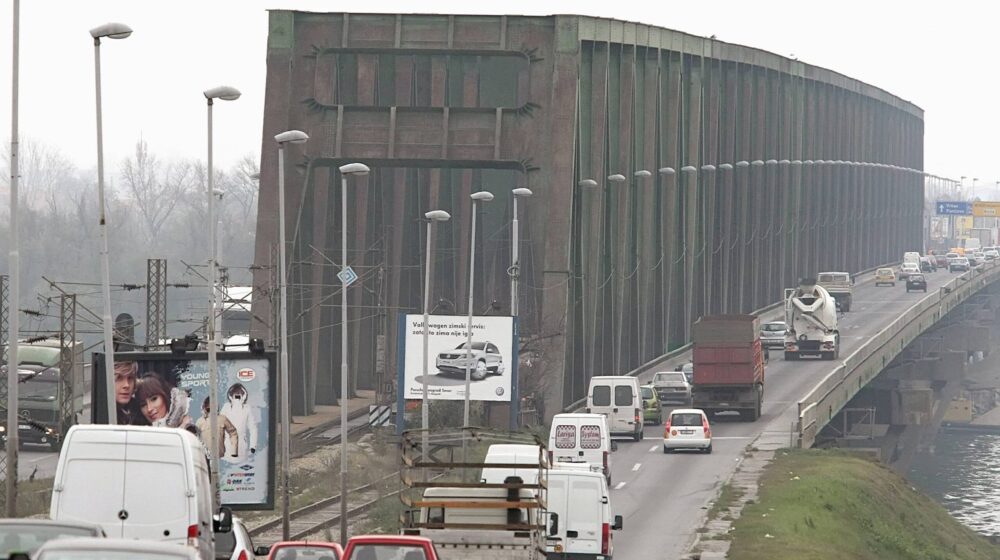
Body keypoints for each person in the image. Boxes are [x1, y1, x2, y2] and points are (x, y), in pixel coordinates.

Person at [219, 383, 258, 462]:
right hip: (227, 446)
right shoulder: (226, 407)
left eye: (240, 392)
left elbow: (253, 428)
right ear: (231, 395)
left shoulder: (247, 408)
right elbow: (219, 426)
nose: (237, 394)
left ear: (244, 395)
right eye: (235, 392)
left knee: (240, 465)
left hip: (242, 447)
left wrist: (253, 446)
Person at [114, 361, 140, 425]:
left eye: (130, 378)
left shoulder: (139, 410)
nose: (126, 385)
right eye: (119, 378)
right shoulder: (100, 413)